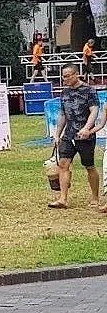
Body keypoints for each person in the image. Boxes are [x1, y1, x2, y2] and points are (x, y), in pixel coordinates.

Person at [49, 63, 101, 209]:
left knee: (89, 166)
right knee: (63, 164)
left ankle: (95, 198)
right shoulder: (64, 93)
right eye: (63, 76)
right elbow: (62, 114)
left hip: (85, 136)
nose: (64, 79)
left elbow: (94, 111)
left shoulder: (89, 90)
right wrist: (57, 134)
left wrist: (86, 128)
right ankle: (63, 199)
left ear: (75, 74)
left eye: (67, 76)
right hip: (68, 135)